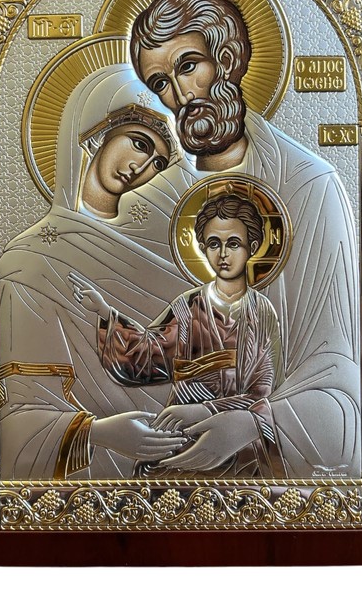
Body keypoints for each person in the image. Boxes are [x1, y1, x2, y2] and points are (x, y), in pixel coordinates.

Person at [114, 0, 362, 477]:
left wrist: (252, 423)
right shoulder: (151, 200)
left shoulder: (308, 186)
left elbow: (338, 380)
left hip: (271, 467)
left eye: (189, 66)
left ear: (226, 60)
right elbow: (147, 354)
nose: (181, 95)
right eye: (160, 83)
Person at [0, 63, 190, 480]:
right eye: (138, 142)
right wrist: (97, 433)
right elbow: (16, 419)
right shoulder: (28, 261)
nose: (141, 166)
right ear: (98, 132)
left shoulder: (162, 251)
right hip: (84, 482)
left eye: (158, 162)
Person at [69, 193, 282, 477]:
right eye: (214, 244)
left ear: (252, 247)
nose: (223, 254)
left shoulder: (261, 313)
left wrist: (205, 410)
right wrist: (105, 313)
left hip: (237, 445)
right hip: (180, 436)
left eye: (233, 243)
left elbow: (264, 394)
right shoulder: (187, 307)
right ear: (203, 248)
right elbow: (147, 354)